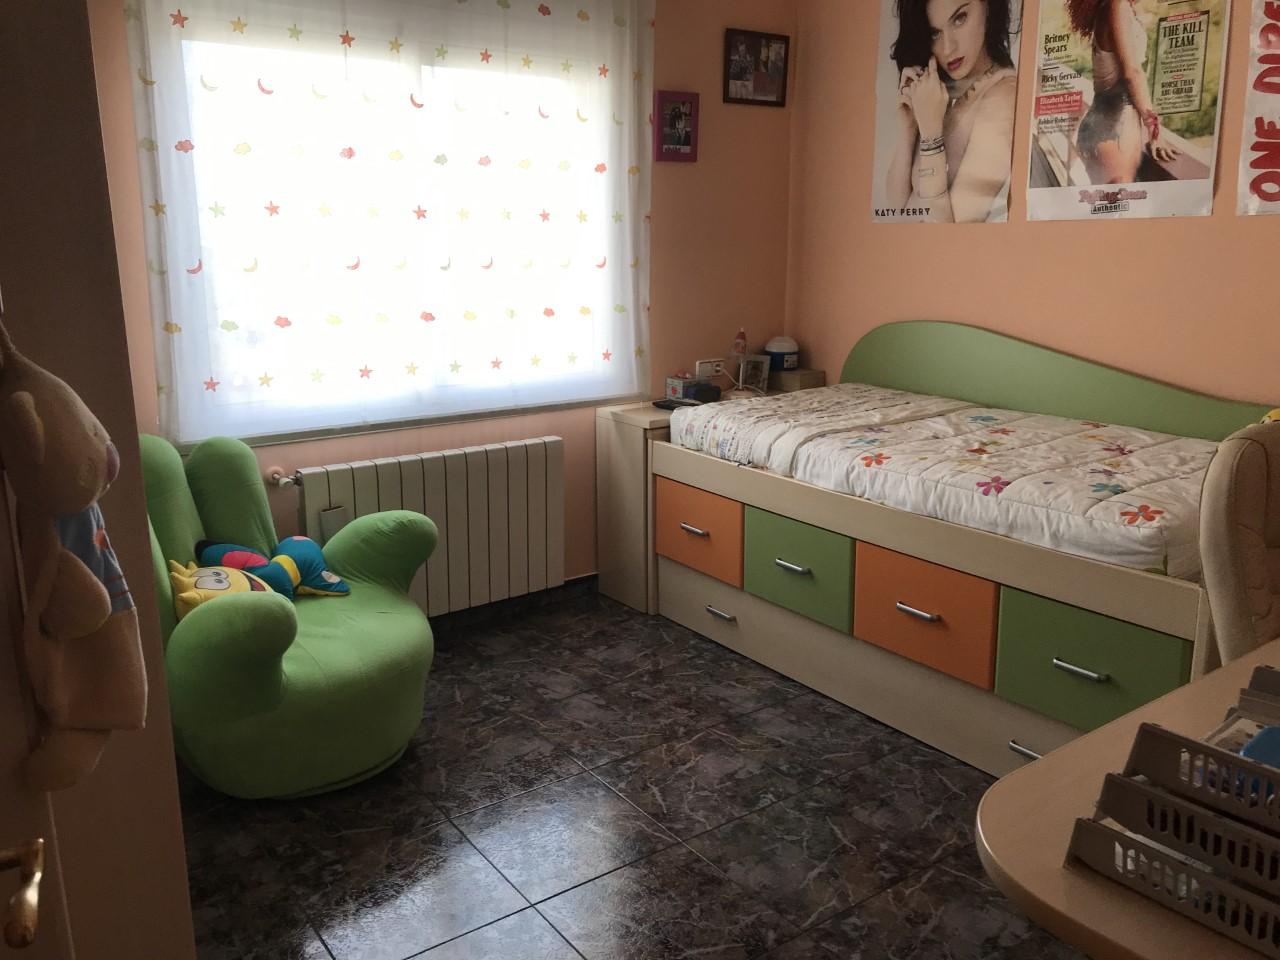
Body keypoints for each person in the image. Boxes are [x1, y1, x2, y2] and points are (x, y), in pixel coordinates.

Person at [886, 0, 1018, 222]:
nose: (948, 48)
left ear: (988, 7)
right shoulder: (939, 94)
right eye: (934, 33)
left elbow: (950, 232)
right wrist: (910, 127)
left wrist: (931, 136)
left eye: (960, 18)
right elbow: (896, 206)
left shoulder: (1003, 97)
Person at [1067, 0, 1177, 183]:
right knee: (1120, 198)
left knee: (1107, 199)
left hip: (1102, 124)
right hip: (1116, 128)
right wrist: (1154, 130)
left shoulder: (1112, 7)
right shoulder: (1117, 5)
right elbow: (1132, 73)